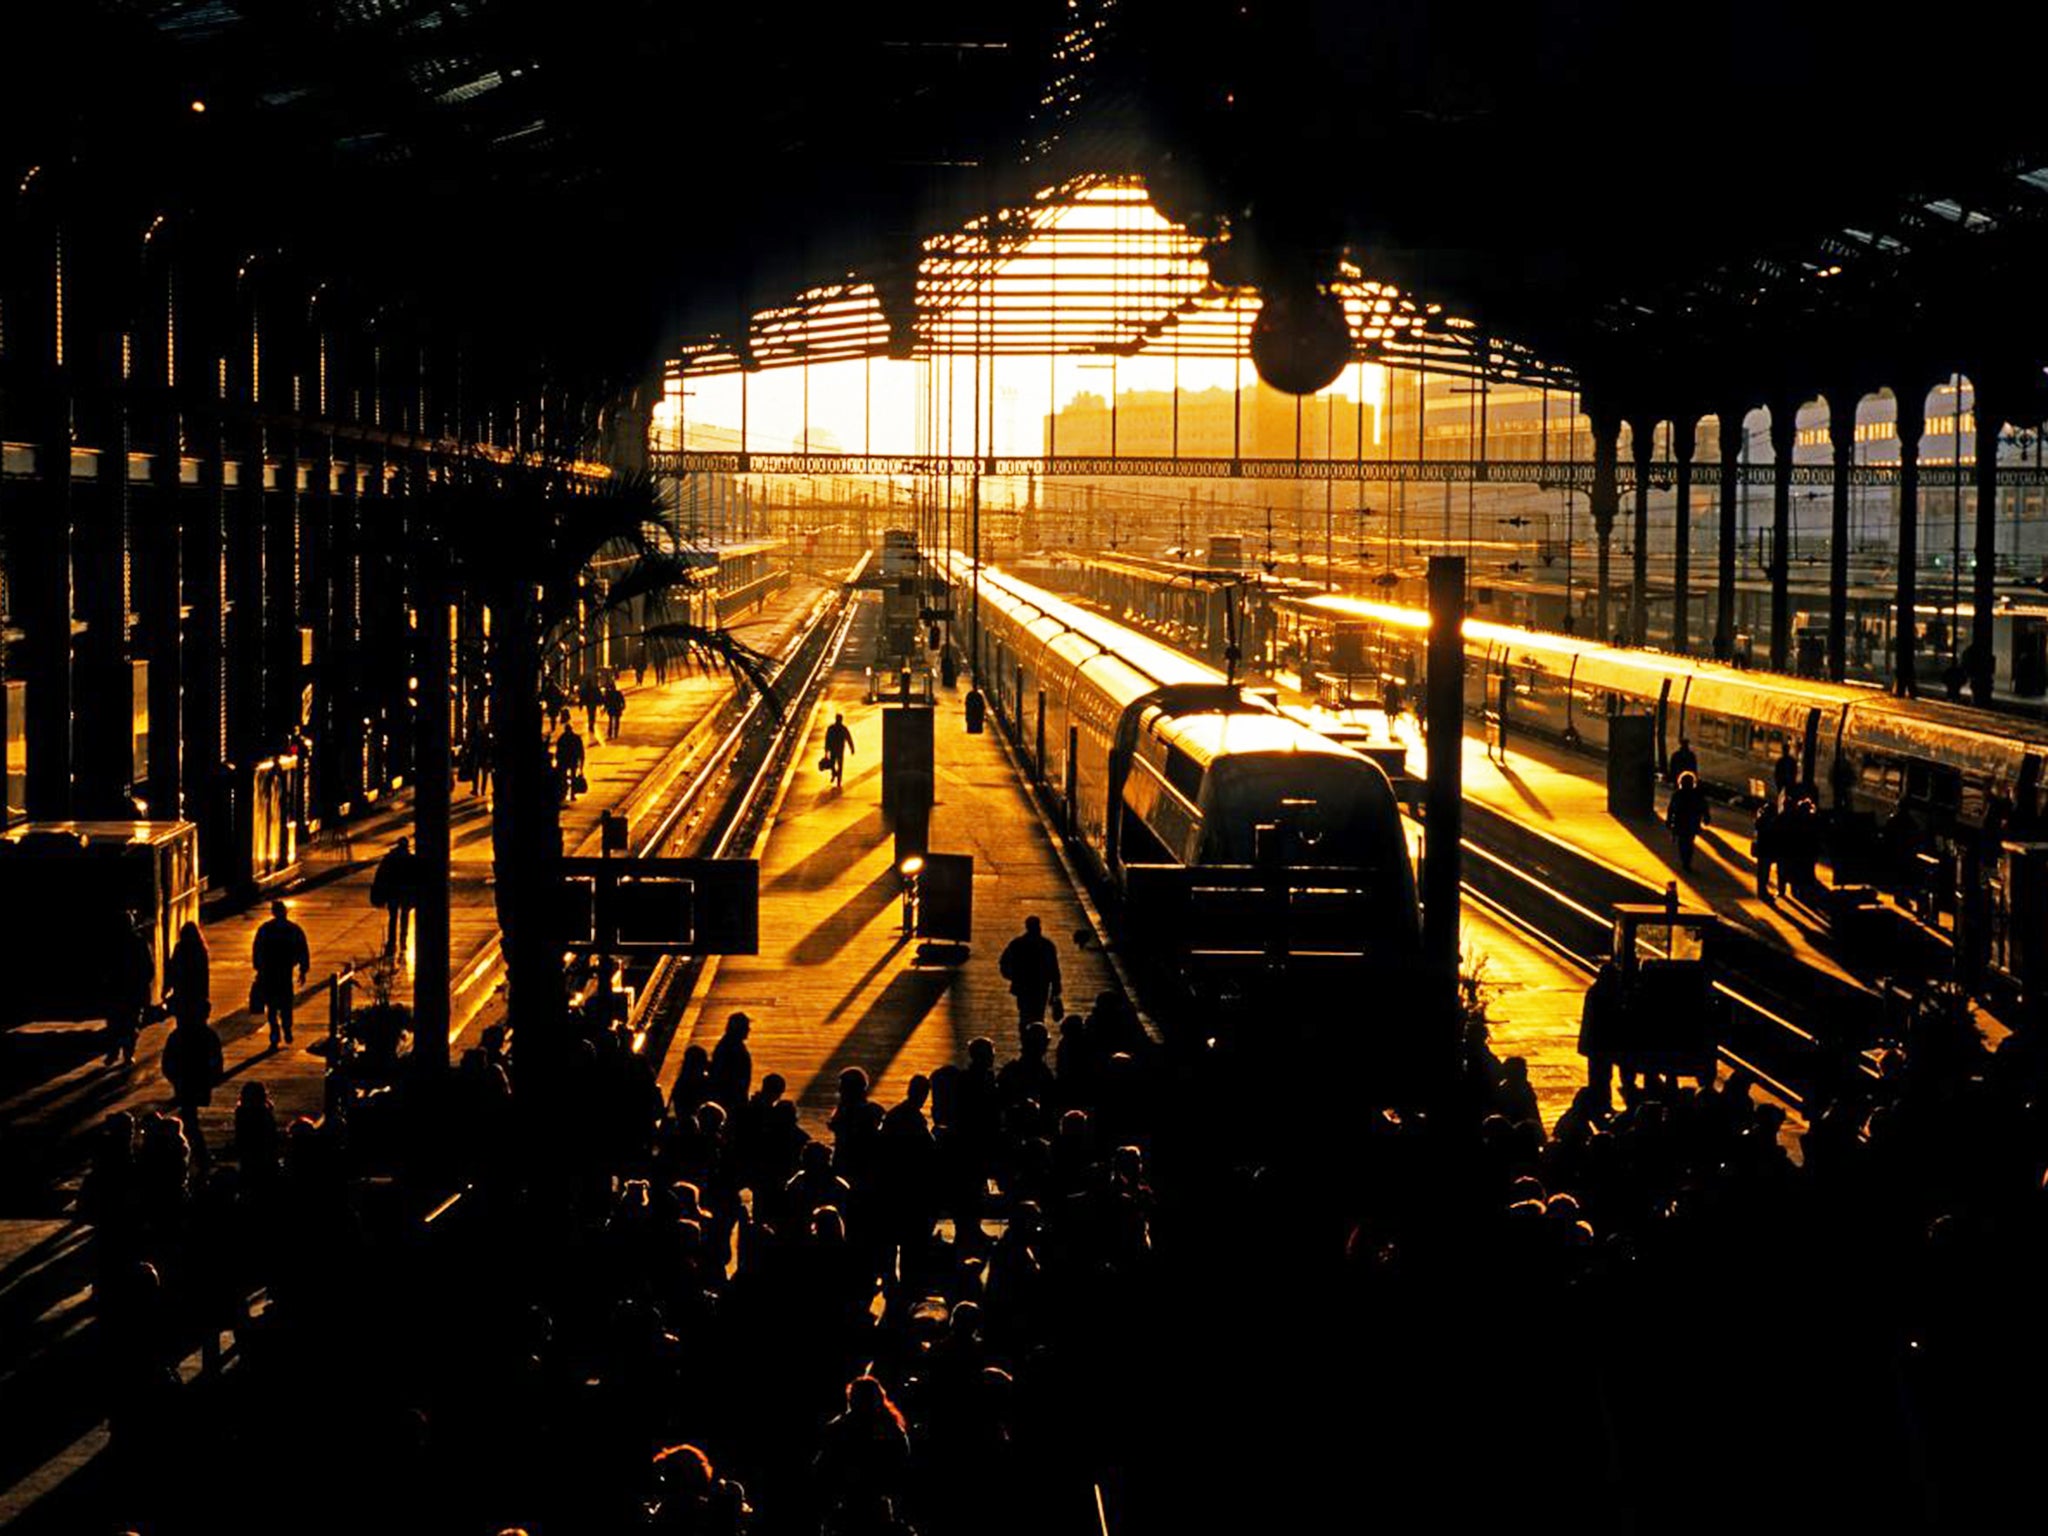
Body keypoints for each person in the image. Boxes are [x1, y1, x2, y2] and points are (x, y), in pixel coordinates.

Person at [161, 948, 223, 1169]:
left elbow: (167, 1060)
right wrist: (214, 1077)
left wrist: (174, 1077)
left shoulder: (179, 1035)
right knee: (190, 1118)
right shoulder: (208, 1035)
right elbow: (217, 1059)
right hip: (198, 1079)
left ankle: (195, 1153)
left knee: (189, 1118)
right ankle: (198, 1154)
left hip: (184, 1080)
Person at [250, 899, 311, 1048]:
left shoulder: (265, 929)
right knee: (286, 1004)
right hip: (284, 972)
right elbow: (303, 950)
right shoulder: (293, 929)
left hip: (269, 972)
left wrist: (259, 967)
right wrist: (303, 970)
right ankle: (286, 1028)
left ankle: (275, 1031)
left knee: (271, 1006)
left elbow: (257, 950)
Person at [105, 916, 156, 1068]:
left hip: (117, 990)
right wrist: (143, 983)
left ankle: (113, 1053)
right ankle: (128, 1054)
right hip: (134, 990)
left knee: (115, 1023)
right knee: (131, 1023)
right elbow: (148, 967)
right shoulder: (140, 943)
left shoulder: (113, 944)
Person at [997, 915, 1062, 1027]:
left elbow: (1004, 962)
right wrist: (1056, 988)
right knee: (1038, 1013)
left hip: (1023, 985)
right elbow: (1053, 968)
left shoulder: (1017, 944)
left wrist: (1013, 977)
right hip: (1041, 985)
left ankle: (1026, 1034)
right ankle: (1037, 1034)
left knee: (1024, 1013)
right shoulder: (1047, 945)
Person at [1577, 957, 1624, 1100]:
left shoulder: (1595, 992)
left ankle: (1599, 1100)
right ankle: (1601, 1101)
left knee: (1598, 1074)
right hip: (1602, 1042)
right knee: (1602, 1074)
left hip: (1594, 1043)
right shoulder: (1607, 994)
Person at [371, 837, 419, 959]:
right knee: (404, 916)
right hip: (405, 893)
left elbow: (381, 876)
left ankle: (392, 942)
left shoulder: (389, 859)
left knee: (393, 918)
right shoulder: (411, 859)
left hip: (392, 892)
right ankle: (403, 940)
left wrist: (380, 893)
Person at [1666, 770, 1710, 873]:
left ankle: (1685, 861)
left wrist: (1669, 820)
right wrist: (1706, 817)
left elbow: (1671, 808)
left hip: (1680, 822)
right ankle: (1687, 861)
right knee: (1689, 842)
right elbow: (1704, 807)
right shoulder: (1697, 794)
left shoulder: (1677, 794)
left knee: (1682, 842)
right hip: (1692, 822)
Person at [1752, 796, 1780, 902]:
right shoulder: (1768, 823)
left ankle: (1761, 891)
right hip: (1766, 851)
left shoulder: (1760, 820)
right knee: (1764, 872)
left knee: (1762, 872)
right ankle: (1762, 892)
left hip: (1761, 850)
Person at [557, 721, 586, 802]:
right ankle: (572, 794)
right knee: (572, 778)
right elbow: (581, 751)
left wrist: (558, 760)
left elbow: (558, 751)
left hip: (564, 761)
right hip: (573, 760)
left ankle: (565, 793)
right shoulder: (576, 738)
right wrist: (581, 765)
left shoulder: (562, 738)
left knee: (564, 777)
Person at [824, 713, 855, 789]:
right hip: (840, 749)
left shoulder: (831, 728)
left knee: (832, 763)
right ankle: (838, 778)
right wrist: (852, 748)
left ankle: (835, 775)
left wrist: (826, 749)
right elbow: (849, 738)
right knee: (840, 765)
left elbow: (827, 739)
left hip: (833, 749)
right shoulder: (843, 728)